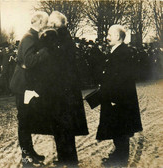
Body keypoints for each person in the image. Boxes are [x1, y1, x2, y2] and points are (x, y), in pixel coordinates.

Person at [36, 11, 89, 166]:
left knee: (62, 127)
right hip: (67, 91)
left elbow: (54, 62)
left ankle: (68, 160)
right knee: (65, 128)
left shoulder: (58, 38)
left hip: (61, 92)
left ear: (53, 24)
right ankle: (67, 158)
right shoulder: (66, 38)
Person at [97, 25, 143, 165]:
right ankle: (118, 155)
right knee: (117, 128)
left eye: (110, 34)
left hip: (118, 99)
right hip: (117, 98)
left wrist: (114, 98)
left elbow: (122, 79)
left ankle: (120, 160)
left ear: (118, 36)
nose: (107, 37)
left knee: (121, 129)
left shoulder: (122, 53)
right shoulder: (119, 51)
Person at [9, 11, 49, 165]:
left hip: (27, 85)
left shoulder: (33, 37)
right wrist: (44, 52)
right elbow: (29, 61)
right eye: (45, 23)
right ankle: (26, 155)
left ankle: (29, 151)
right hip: (23, 86)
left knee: (28, 119)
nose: (46, 26)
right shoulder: (29, 38)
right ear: (38, 22)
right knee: (24, 120)